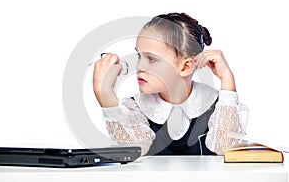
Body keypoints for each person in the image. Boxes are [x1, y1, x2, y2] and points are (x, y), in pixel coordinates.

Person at [93, 12, 248, 156]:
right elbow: (136, 146)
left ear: (185, 67)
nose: (139, 66)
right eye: (139, 55)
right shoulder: (137, 108)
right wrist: (105, 94)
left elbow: (225, 147)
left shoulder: (218, 106)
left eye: (151, 59)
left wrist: (227, 79)